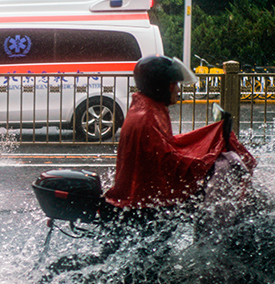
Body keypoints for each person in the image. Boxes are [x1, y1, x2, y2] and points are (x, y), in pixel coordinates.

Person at [103, 55, 256, 221]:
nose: (177, 89)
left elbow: (167, 145)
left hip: (141, 199)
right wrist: (206, 161)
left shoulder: (148, 108)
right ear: (162, 87)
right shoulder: (147, 118)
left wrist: (208, 141)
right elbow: (168, 162)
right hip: (143, 206)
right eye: (173, 84)